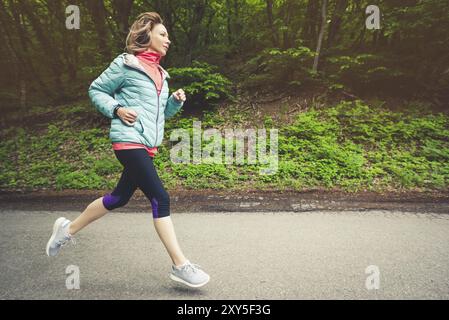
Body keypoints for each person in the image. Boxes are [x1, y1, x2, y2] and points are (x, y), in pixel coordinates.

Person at [45, 12, 210, 288]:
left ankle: (67, 229)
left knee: (118, 198)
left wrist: (173, 103)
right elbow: (96, 89)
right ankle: (180, 265)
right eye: (163, 34)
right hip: (128, 141)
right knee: (161, 197)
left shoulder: (161, 74)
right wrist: (117, 109)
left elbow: (160, 116)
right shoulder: (125, 65)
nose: (168, 40)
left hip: (148, 145)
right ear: (147, 36)